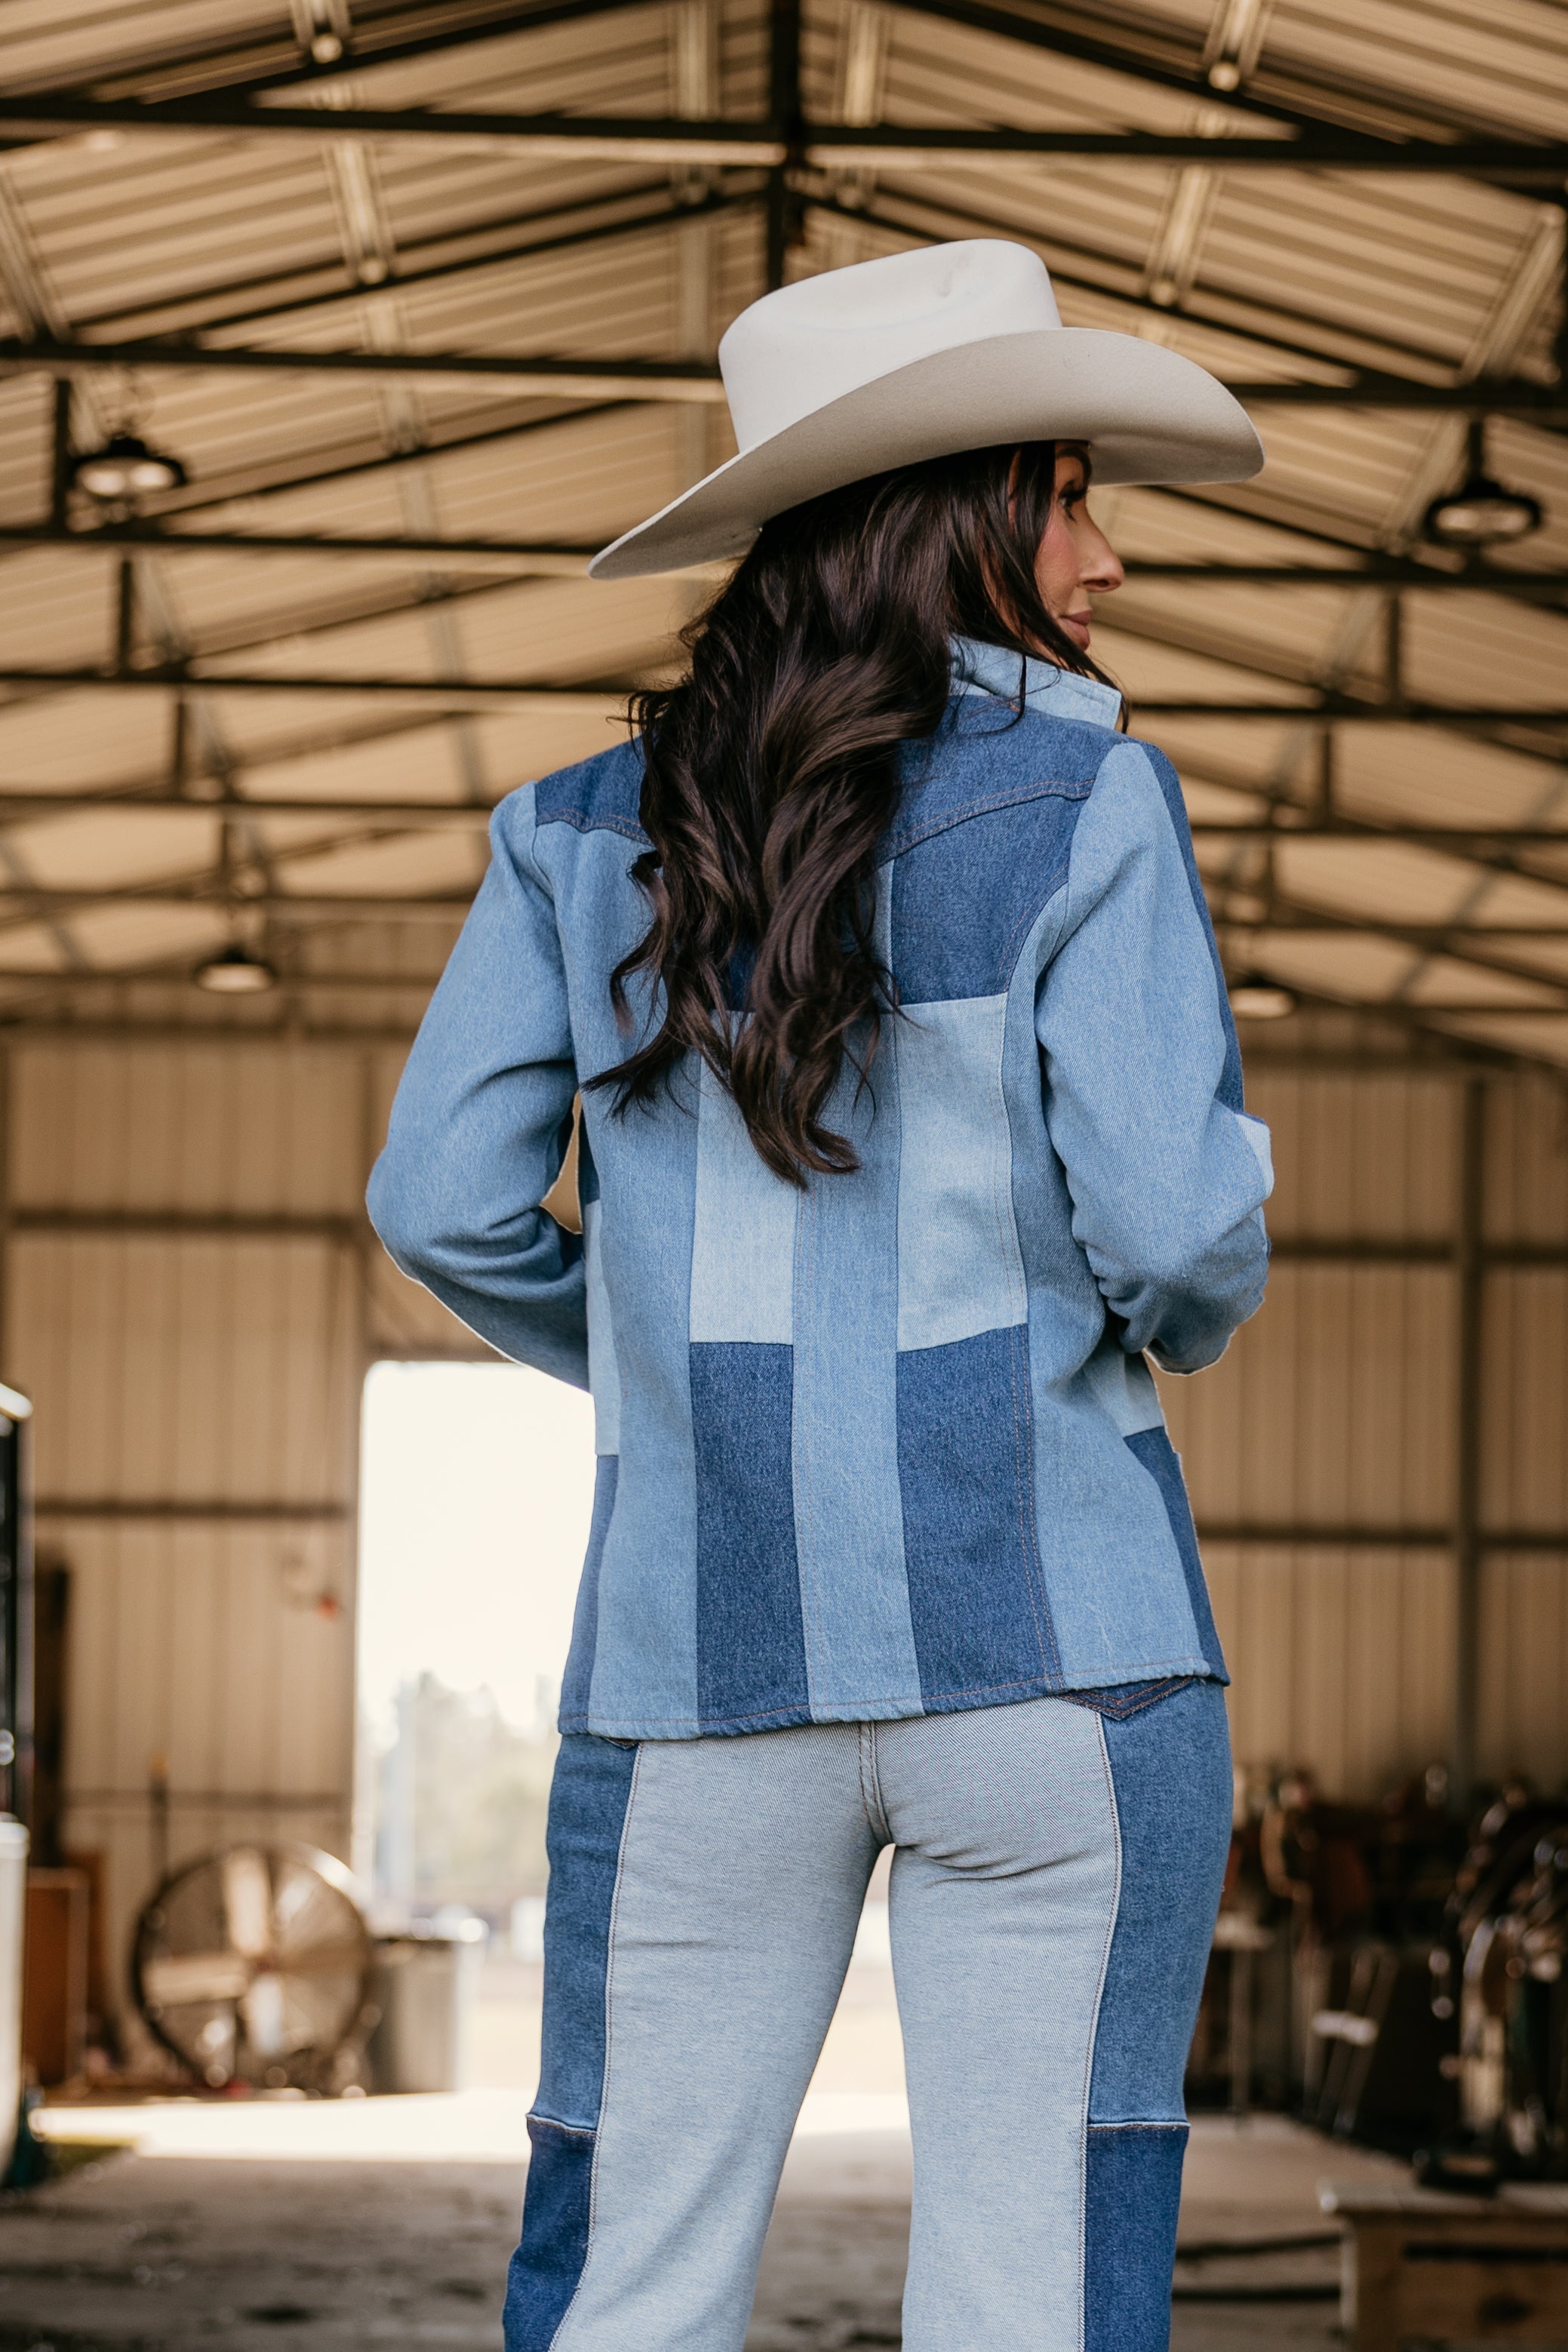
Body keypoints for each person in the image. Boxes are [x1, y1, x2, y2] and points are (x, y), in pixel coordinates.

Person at [367, 238, 1274, 2352]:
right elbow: (1169, 1225)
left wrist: (673, 1364)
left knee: (634, 2284)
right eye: (1075, 491)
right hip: (1062, 1671)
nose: (1112, 560)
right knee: (1024, 2292)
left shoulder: (579, 835)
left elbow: (439, 1198)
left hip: (698, 1672)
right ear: (966, 505)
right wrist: (1176, 1310)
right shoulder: (1088, 802)